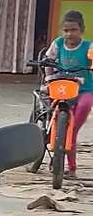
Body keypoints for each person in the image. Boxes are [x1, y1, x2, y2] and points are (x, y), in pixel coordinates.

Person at [45, 10, 93, 178]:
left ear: (82, 30)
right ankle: (57, 149)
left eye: (73, 30)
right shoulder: (57, 44)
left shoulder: (89, 46)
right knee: (57, 122)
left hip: (84, 90)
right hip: (62, 88)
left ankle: (71, 167)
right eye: (66, 30)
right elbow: (48, 61)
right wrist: (48, 78)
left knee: (72, 129)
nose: (69, 34)